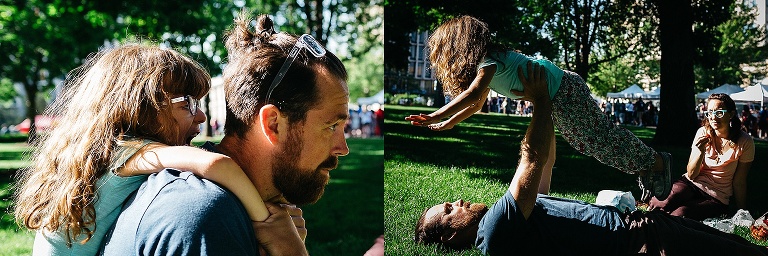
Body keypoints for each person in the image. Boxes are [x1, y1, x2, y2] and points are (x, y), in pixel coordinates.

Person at [413, 76, 768, 255]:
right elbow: (531, 157)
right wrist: (539, 98)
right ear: (450, 234)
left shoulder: (515, 221)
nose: (456, 201)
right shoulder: (494, 231)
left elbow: (545, 160)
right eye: (448, 210)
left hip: (644, 226)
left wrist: (550, 102)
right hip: (642, 241)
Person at [99, 13, 350, 255]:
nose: (343, 148)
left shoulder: (243, 212)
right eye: (331, 126)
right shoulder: (202, 215)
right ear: (273, 124)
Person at [13, 44, 271, 255]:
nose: (201, 116)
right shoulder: (130, 152)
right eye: (187, 104)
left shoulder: (100, 153)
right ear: (142, 108)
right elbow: (217, 165)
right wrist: (269, 225)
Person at [404, 15, 671, 202]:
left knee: (598, 139)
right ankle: (644, 167)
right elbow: (477, 104)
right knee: (577, 146)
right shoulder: (488, 64)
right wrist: (451, 123)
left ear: (461, 47)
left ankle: (656, 162)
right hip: (557, 94)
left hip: (562, 91)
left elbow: (472, 94)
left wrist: (437, 114)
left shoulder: (489, 62)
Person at [649, 93, 754, 221]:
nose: (713, 117)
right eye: (710, 113)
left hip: (716, 196)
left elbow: (739, 182)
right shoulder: (703, 132)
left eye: (719, 112)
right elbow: (692, 174)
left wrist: (742, 213)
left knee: (681, 214)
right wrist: (700, 151)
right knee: (660, 203)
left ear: (731, 114)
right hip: (692, 183)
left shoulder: (744, 141)